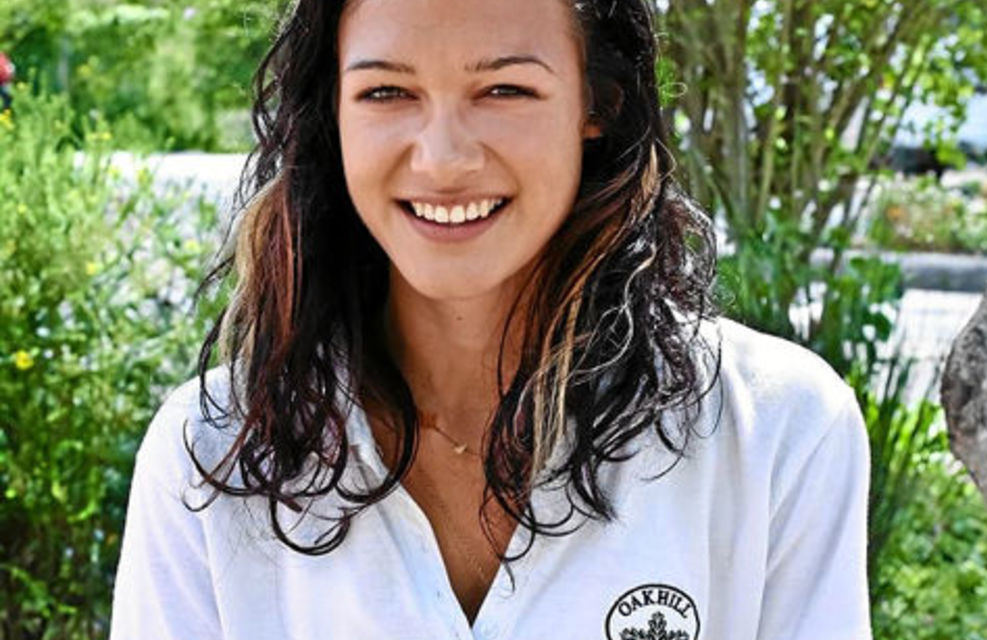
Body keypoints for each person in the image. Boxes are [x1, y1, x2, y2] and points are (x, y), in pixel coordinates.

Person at [110, 0, 872, 638]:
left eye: (504, 89)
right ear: (331, 112)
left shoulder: (774, 432)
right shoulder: (210, 458)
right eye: (386, 92)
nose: (442, 159)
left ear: (598, 103)